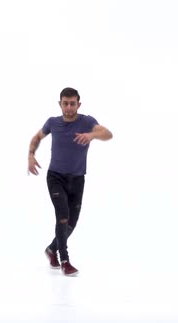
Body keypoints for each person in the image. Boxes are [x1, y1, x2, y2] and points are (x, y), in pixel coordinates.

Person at [27, 87, 113, 276]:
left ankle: (51, 249)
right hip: (55, 177)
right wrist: (31, 155)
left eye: (72, 103)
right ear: (60, 104)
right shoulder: (53, 122)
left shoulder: (87, 121)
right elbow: (37, 137)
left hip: (77, 178)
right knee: (62, 215)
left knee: (71, 223)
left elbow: (108, 134)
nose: (68, 107)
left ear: (78, 104)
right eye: (65, 103)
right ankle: (64, 260)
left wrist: (91, 135)